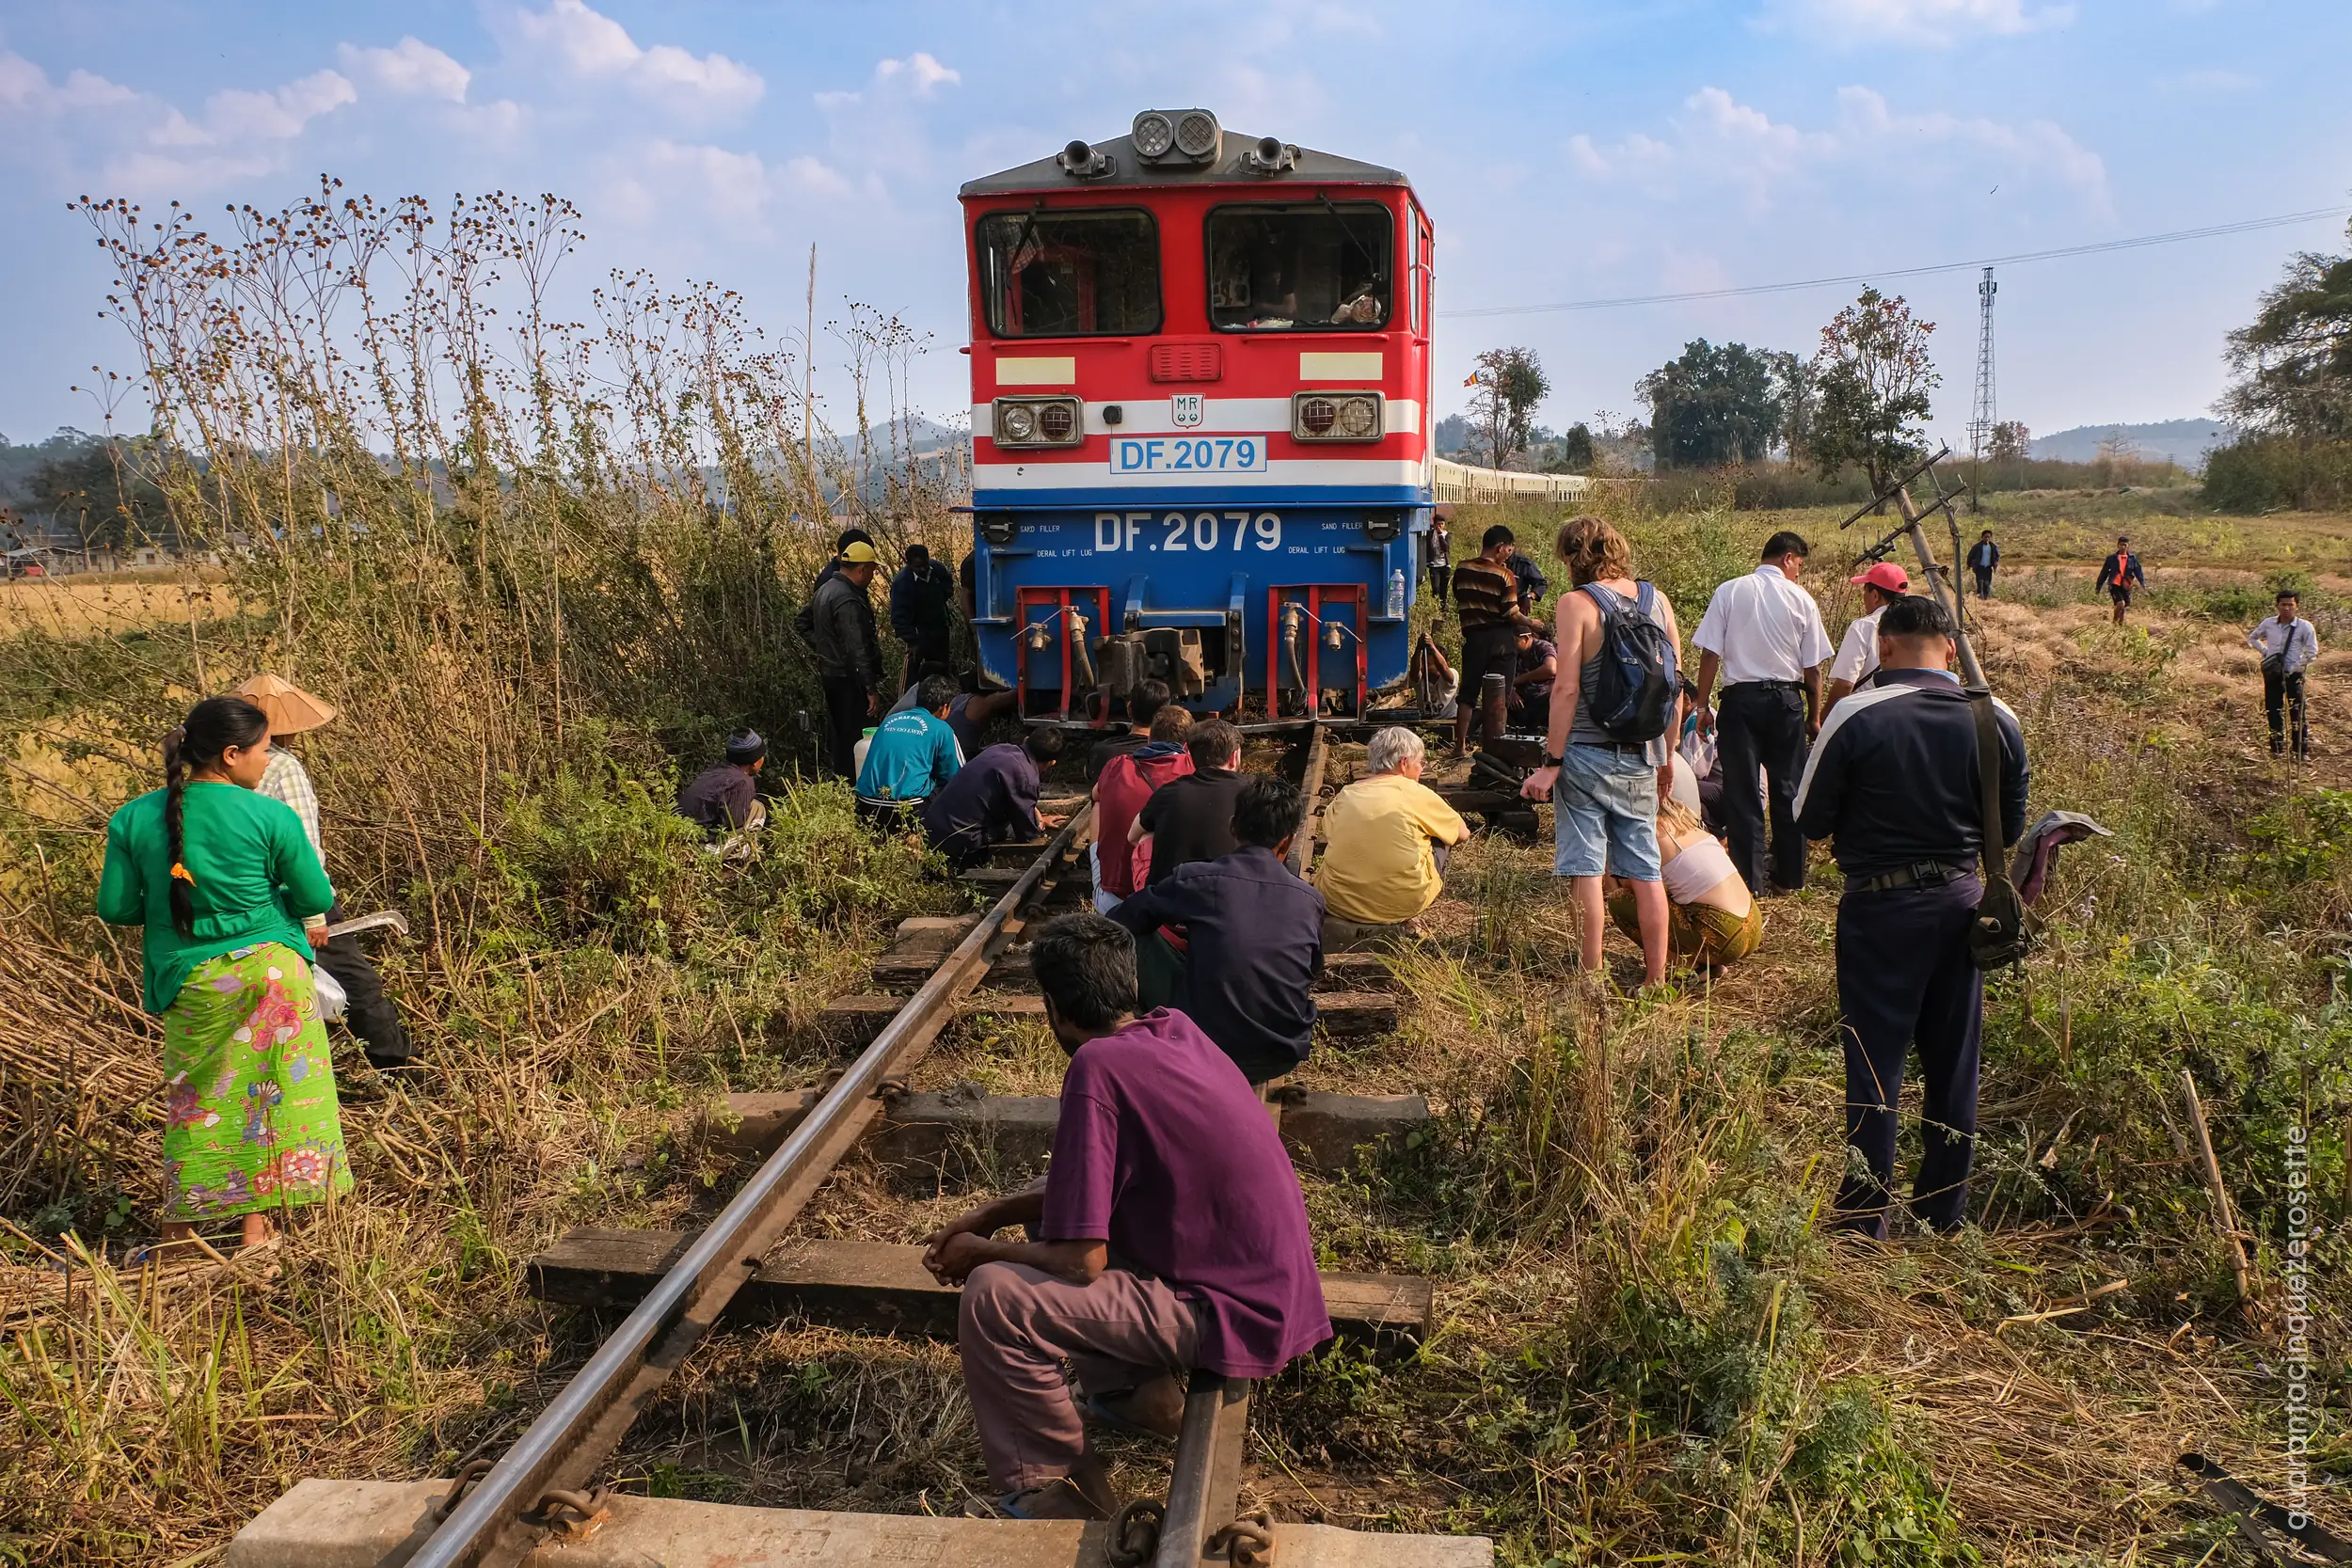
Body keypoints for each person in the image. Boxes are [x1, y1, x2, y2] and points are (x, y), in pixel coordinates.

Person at [922, 913, 1330, 1521]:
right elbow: (1076, 1192)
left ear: (1054, 1007)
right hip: (1267, 1290)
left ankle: (1057, 1490)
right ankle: (1135, 1395)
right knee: (1055, 1212)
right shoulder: (1175, 1029)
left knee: (994, 1297)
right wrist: (994, 1212)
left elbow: (1080, 1263)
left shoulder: (1096, 1066)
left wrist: (982, 1251)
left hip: (1230, 1312)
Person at [1793, 594, 2028, 1239]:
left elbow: (1808, 821)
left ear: (1885, 647)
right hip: (1963, 904)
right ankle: (1942, 1213)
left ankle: (1864, 1217)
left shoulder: (1855, 713)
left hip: (1880, 906)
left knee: (1874, 1062)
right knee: (1955, 1062)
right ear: (1950, 650)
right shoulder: (1995, 716)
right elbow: (2008, 826)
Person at [98, 696, 349, 1255]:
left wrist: (173, 910)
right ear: (231, 756)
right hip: (272, 973)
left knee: (199, 1100)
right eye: (264, 750)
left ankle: (179, 1238)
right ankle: (257, 1237)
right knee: (271, 1098)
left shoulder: (135, 817)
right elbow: (316, 895)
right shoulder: (267, 815)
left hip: (191, 980)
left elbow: (115, 907)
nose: (269, 761)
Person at [1517, 516, 1681, 989]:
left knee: (1587, 865)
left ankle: (1591, 975)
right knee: (1645, 868)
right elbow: (1675, 688)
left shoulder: (1577, 604)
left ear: (1572, 556)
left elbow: (1565, 688)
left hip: (1586, 752)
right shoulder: (1657, 600)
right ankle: (1656, 979)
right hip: (1641, 754)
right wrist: (1666, 756)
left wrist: (1551, 763)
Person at [237, 673, 417, 1075]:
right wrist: (315, 910)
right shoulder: (283, 767)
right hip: (294, 896)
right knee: (359, 984)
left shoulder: (212, 771)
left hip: (244, 904)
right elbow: (304, 846)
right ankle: (398, 1072)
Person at [1110, 775, 1326, 1083]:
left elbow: (1121, 920)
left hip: (1204, 1047)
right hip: (1282, 1052)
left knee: (1137, 936)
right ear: (1287, 840)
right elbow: (1312, 968)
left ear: (1233, 826)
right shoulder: (1310, 899)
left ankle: (1147, 1027)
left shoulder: (1197, 880)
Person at [1691, 531, 1834, 896]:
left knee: (1743, 794)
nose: (1799, 573)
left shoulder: (1730, 591)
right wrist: (1813, 716)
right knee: (1788, 791)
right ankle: (1789, 877)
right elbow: (1813, 668)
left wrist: (1703, 705)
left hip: (1740, 702)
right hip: (1786, 702)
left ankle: (1748, 882)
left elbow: (1710, 654)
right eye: (1799, 564)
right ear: (1787, 558)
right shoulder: (1801, 599)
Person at [1318, 726, 1470, 941]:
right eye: (1421, 763)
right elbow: (1463, 834)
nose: (1421, 769)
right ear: (1404, 763)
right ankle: (1406, 910)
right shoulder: (1415, 793)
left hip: (1339, 902)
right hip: (1402, 903)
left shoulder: (1346, 795)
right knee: (1442, 834)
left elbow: (1331, 833)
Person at [1605, 796, 1761, 973]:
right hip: (1751, 922)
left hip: (1721, 932)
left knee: (1620, 901)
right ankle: (1709, 964)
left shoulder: (1651, 833)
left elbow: (1631, 886)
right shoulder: (1689, 825)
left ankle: (1689, 967)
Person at [1089, 705, 1194, 913]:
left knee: (1098, 804)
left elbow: (1095, 795)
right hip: (1172, 898)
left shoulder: (1116, 765)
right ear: (1186, 744)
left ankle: (1106, 877)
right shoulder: (1195, 771)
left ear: (1149, 738)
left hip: (1116, 900)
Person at [924, 728, 1066, 869]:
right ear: (1051, 762)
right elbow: (1028, 834)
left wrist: (1033, 813)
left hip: (932, 827)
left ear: (1026, 740)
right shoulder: (1026, 777)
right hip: (961, 838)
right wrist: (1039, 824)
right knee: (1009, 828)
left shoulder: (1000, 749)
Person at [1130, 719, 1245, 887]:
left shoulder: (1169, 792)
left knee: (1147, 834)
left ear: (1189, 758)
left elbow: (1132, 836)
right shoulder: (1255, 792)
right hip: (1233, 894)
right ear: (1234, 757)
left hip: (1171, 899)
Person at [1451, 526, 1533, 755]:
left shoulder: (1462, 568)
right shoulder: (1505, 576)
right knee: (1500, 693)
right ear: (1499, 548)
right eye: (1508, 549)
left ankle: (1460, 746)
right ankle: (1495, 747)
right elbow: (1511, 613)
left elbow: (1460, 596)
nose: (1509, 554)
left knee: (1467, 693)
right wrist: (1531, 624)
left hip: (1474, 638)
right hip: (1501, 640)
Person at [811, 541, 886, 778]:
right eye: (873, 570)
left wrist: (824, 648)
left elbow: (802, 622)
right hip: (848, 679)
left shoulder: (826, 589)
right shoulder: (848, 599)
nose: (873, 576)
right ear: (862, 569)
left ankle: (842, 781)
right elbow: (857, 649)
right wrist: (870, 688)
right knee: (857, 736)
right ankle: (859, 785)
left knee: (841, 733)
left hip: (831, 674)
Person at [856, 675, 965, 825]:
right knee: (953, 787)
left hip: (865, 804)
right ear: (944, 708)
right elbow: (956, 776)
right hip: (907, 809)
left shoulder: (889, 720)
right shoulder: (942, 729)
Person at [1822, 562, 1911, 712]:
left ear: (1875, 595)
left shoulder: (1864, 627)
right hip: (1907, 711)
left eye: (1865, 591)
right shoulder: (1916, 625)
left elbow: (1845, 683)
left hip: (1865, 713)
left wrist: (1824, 716)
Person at [2248, 589, 2318, 759]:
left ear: (2297, 606)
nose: (2287, 608)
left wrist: (2295, 666)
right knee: (2273, 710)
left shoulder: (2304, 627)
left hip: (2294, 675)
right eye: (2283, 605)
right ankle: (2276, 750)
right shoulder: (2269, 623)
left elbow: (2312, 653)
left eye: (2290, 605)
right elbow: (2252, 638)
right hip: (2273, 674)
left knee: (2297, 712)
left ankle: (2300, 751)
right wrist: (2266, 653)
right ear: (2277, 606)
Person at [889, 544, 959, 692]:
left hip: (939, 630)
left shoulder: (937, 569)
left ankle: (941, 701)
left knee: (941, 668)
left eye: (925, 564)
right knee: (912, 676)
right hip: (916, 634)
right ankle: (906, 705)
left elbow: (948, 586)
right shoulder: (901, 583)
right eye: (917, 566)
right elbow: (898, 618)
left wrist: (939, 600)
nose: (922, 569)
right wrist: (912, 640)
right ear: (909, 564)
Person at [886, 681, 1018, 758]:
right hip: (914, 797)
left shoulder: (892, 720)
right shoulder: (943, 730)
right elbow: (955, 772)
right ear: (943, 708)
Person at [676, 728, 770, 834]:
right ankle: (743, 849)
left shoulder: (715, 769)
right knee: (758, 812)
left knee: (755, 806)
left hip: (679, 828)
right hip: (698, 841)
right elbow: (733, 824)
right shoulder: (742, 783)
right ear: (755, 761)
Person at [1085, 679, 1175, 784]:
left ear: (1129, 709)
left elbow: (1089, 775)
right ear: (1166, 715)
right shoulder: (1174, 757)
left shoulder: (1100, 752)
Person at [1510, 624, 1559, 736]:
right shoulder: (1513, 654)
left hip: (1544, 698)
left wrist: (1521, 679)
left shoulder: (1542, 647)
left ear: (1526, 639)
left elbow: (1551, 669)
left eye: (1514, 641)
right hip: (1522, 701)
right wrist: (1510, 691)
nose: (1511, 645)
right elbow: (1502, 677)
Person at [2095, 535, 2145, 626]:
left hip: (2126, 584)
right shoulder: (2111, 558)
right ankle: (2114, 622)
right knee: (2120, 603)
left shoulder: (2132, 559)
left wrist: (2142, 583)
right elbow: (2104, 573)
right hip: (2115, 584)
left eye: (2125, 545)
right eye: (2121, 545)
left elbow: (2138, 571)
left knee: (2124, 607)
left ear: (2128, 546)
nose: (2123, 547)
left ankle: (2120, 626)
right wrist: (2098, 586)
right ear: (2118, 545)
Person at [1423, 506, 1454, 607]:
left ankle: (1443, 608)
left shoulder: (1447, 535)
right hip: (1434, 566)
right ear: (1434, 524)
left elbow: (1446, 548)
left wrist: (1441, 536)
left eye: (1442, 524)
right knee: (1436, 588)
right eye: (1438, 524)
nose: (1440, 526)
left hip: (1445, 566)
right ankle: (1435, 607)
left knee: (1444, 589)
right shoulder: (1430, 534)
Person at [1966, 531, 1999, 599]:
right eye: (1985, 537)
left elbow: (1997, 556)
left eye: (1988, 537)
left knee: (1987, 584)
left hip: (1988, 568)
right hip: (1979, 567)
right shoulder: (1977, 547)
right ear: (1982, 537)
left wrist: (1995, 564)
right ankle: (1980, 598)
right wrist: (1969, 565)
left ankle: (1985, 598)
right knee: (1980, 583)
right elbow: (1970, 556)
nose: (1987, 538)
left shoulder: (1993, 546)